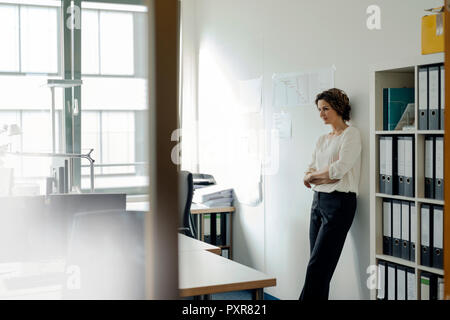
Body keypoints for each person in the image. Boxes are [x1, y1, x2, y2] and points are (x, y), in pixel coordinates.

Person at [299, 88, 361, 300]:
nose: (321, 114)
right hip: (318, 202)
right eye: (319, 109)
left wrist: (316, 177)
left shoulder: (350, 134)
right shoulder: (322, 139)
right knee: (317, 265)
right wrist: (319, 176)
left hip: (340, 203)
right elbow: (308, 173)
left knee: (318, 266)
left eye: (325, 108)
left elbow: (339, 170)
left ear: (338, 107)